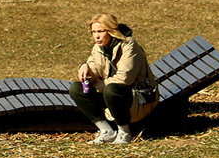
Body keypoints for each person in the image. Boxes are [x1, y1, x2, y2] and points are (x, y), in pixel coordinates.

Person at [68, 13, 159, 144]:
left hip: (139, 98)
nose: (96, 36)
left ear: (111, 31)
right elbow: (94, 67)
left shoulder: (129, 45)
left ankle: (124, 133)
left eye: (100, 31)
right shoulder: (98, 47)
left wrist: (98, 86)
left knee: (112, 89)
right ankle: (107, 131)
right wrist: (85, 68)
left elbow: (124, 79)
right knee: (77, 88)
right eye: (93, 32)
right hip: (112, 95)